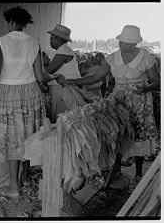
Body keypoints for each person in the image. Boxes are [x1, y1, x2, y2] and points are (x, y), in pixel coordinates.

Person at [0, 6, 60, 198]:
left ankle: (14, 187)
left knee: (13, 140)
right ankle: (25, 178)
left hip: (9, 94)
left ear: (11, 22)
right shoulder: (34, 42)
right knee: (28, 135)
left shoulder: (1, 42)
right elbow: (40, 76)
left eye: (7, 22)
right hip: (31, 92)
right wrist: (57, 76)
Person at [59, 25, 160, 183]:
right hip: (119, 100)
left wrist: (146, 87)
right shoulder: (112, 58)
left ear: (134, 44)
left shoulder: (145, 57)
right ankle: (116, 170)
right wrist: (72, 81)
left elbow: (157, 81)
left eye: (125, 43)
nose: (121, 45)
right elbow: (94, 78)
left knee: (138, 134)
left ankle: (138, 172)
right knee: (117, 132)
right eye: (120, 41)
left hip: (139, 101)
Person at [44, 24, 81, 123]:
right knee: (59, 119)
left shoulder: (64, 51)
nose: (50, 40)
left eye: (51, 38)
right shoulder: (58, 52)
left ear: (58, 39)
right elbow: (45, 62)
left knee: (63, 121)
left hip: (64, 89)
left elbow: (47, 71)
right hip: (59, 89)